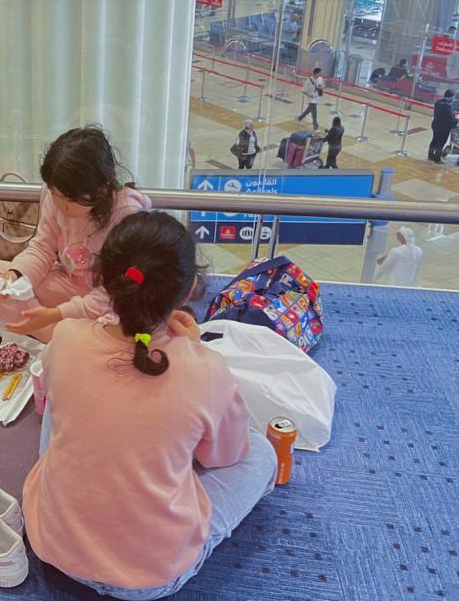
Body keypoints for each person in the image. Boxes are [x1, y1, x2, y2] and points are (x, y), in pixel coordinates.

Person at [22, 210, 276, 599]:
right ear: (190, 287)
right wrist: (193, 353)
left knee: (61, 395)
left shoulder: (66, 336)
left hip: (52, 543)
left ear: (103, 279)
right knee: (261, 452)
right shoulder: (205, 369)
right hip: (149, 577)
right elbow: (224, 456)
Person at [0, 126, 152, 343]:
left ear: (101, 190)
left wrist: (57, 313)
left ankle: (48, 333)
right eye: (53, 193)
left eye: (68, 200)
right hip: (70, 287)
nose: (59, 205)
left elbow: (118, 291)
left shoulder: (126, 215)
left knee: (122, 323)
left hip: (109, 300)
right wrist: (15, 277)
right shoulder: (56, 196)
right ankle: (57, 336)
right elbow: (42, 248)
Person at [428, 89, 457, 163]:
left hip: (436, 125)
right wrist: (456, 121)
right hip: (444, 128)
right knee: (441, 143)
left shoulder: (438, 102)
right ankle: (437, 159)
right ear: (451, 97)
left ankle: (430, 155)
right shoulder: (448, 105)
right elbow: (450, 118)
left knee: (434, 140)